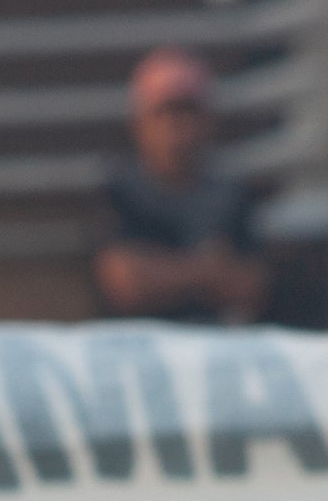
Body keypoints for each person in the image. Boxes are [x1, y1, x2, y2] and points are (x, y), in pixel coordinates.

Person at [93, 48, 270, 325]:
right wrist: (206, 270)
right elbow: (125, 284)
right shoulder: (121, 192)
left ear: (208, 120)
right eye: (164, 113)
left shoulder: (232, 193)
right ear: (140, 123)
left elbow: (251, 286)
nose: (177, 128)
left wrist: (160, 272)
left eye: (188, 112)